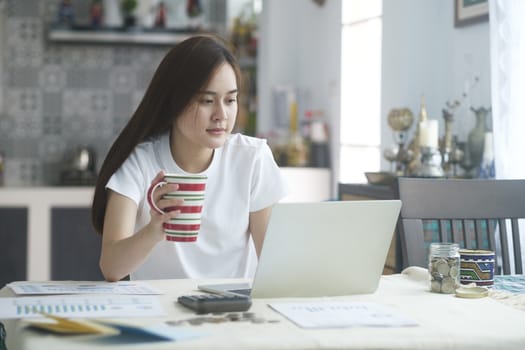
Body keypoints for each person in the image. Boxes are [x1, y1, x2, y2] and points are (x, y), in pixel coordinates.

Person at [91, 34, 288, 282]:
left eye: (230, 100)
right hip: (158, 313)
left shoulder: (252, 159)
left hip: (230, 313)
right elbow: (111, 267)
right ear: (175, 101)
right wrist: (154, 229)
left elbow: (275, 266)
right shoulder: (139, 162)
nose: (221, 115)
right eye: (207, 100)